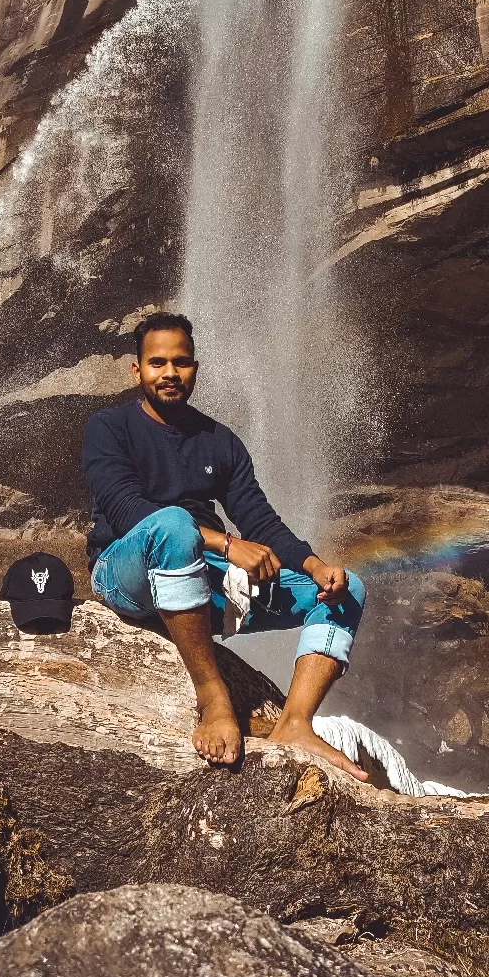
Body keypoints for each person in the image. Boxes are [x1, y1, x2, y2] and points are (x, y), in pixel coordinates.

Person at [82, 311, 367, 779]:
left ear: (196, 367)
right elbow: (126, 508)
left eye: (181, 363)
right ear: (137, 371)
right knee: (173, 526)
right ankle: (213, 697)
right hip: (125, 572)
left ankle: (295, 722)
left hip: (200, 578)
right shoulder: (108, 428)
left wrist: (315, 565)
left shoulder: (220, 441)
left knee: (348, 587)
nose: (169, 374)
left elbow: (260, 519)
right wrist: (227, 544)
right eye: (157, 363)